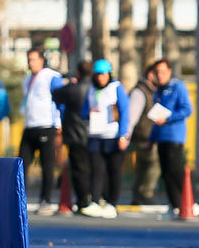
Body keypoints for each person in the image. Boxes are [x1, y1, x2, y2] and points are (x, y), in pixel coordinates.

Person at [81, 59, 130, 219]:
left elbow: (124, 112)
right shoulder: (91, 89)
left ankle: (112, 204)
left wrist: (123, 135)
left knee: (114, 170)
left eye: (103, 74)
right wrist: (89, 112)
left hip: (113, 135)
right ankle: (95, 201)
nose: (100, 78)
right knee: (96, 170)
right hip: (95, 135)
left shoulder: (116, 88)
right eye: (97, 75)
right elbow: (83, 112)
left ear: (109, 74)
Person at [19, 47, 64, 215]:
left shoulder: (51, 76)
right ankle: (19, 199)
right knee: (21, 164)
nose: (31, 63)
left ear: (42, 60)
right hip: (30, 125)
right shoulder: (27, 78)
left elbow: (60, 101)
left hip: (46, 125)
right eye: (29, 59)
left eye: (34, 59)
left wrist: (59, 122)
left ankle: (46, 200)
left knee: (47, 165)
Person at [52, 60, 98, 215]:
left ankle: (83, 200)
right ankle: (96, 198)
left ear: (78, 73)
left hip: (76, 134)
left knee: (79, 169)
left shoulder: (74, 88)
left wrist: (70, 83)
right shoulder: (95, 88)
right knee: (95, 167)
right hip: (95, 133)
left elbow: (56, 94)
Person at [149, 58, 193, 215]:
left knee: (175, 170)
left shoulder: (178, 87)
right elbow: (155, 118)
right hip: (161, 137)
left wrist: (168, 118)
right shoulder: (158, 90)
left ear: (169, 72)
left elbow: (187, 110)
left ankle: (189, 202)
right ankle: (175, 204)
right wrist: (151, 139)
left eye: (162, 72)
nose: (159, 75)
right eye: (157, 72)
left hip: (175, 136)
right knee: (166, 173)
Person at [127, 64, 160, 205]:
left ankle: (138, 195)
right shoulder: (140, 92)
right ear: (150, 75)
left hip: (148, 135)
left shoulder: (153, 91)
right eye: (157, 73)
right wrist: (127, 134)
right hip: (143, 136)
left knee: (142, 166)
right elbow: (132, 116)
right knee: (153, 164)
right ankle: (146, 193)